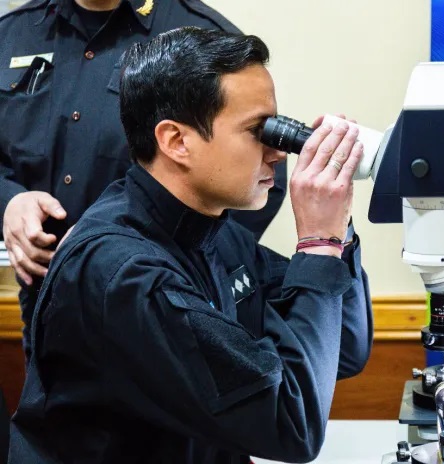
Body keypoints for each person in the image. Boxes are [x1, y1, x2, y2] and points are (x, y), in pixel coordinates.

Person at [9, 27, 373, 463]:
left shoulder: (213, 234)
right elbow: (291, 426)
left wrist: (338, 229)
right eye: (258, 130)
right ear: (176, 141)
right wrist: (318, 242)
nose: (278, 153)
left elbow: (343, 351)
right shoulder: (122, 275)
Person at [0, 0, 287, 353]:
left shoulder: (199, 35)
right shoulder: (10, 33)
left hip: (161, 302)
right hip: (46, 295)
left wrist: (130, 246)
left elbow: (259, 171)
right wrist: (9, 202)